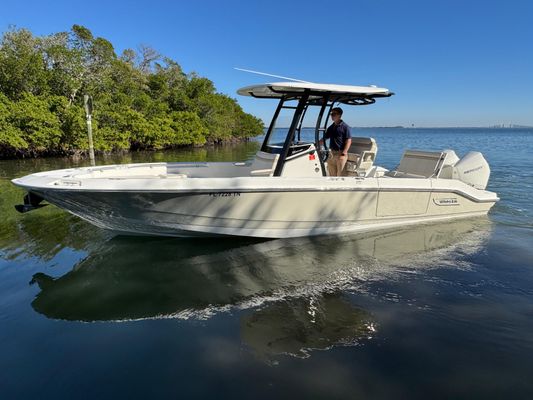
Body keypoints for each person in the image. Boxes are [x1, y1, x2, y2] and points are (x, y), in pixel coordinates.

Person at [319, 107, 352, 176]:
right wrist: (316, 144)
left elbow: (349, 140)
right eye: (331, 114)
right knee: (331, 176)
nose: (332, 116)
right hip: (331, 154)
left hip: (341, 153)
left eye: (334, 114)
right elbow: (324, 138)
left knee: (340, 176)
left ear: (339, 115)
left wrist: (344, 153)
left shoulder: (345, 127)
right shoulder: (331, 127)